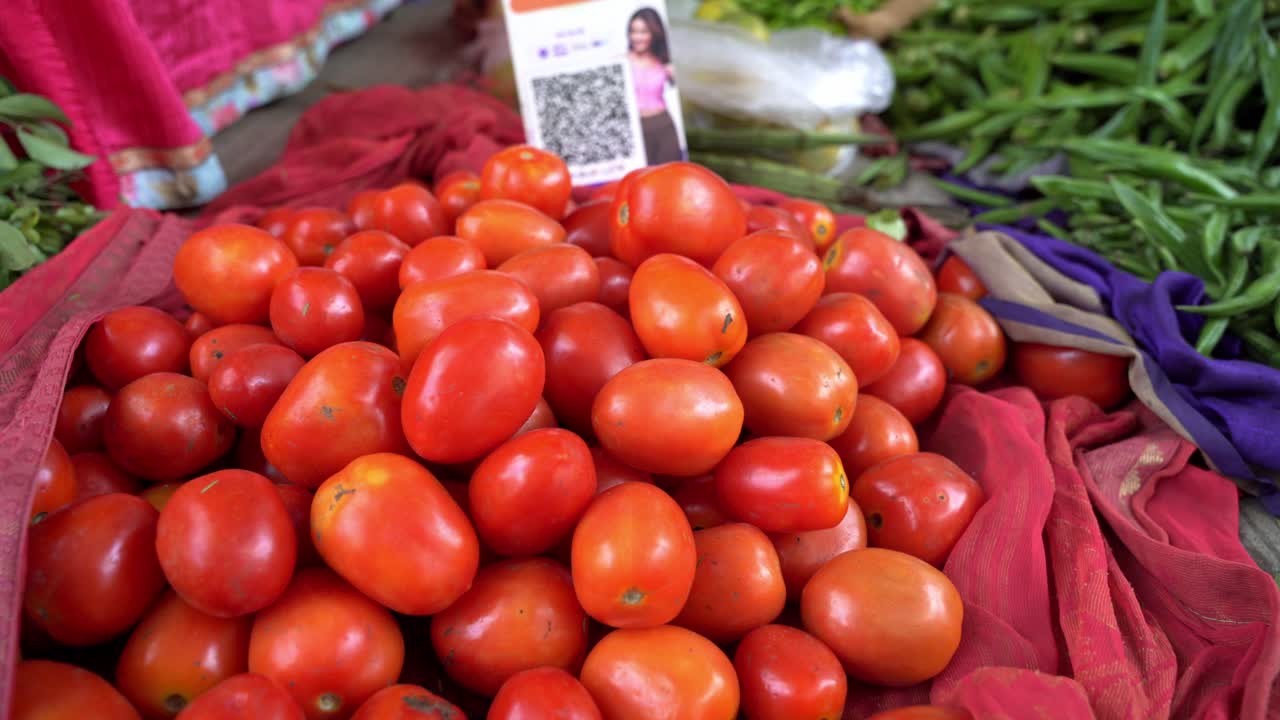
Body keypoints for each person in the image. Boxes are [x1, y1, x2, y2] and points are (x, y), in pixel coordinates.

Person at [627, 8, 683, 165]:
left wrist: (674, 74)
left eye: (643, 32)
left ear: (654, 32)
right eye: (633, 31)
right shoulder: (621, 62)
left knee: (670, 176)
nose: (637, 37)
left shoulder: (665, 62)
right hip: (635, 128)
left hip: (663, 124)